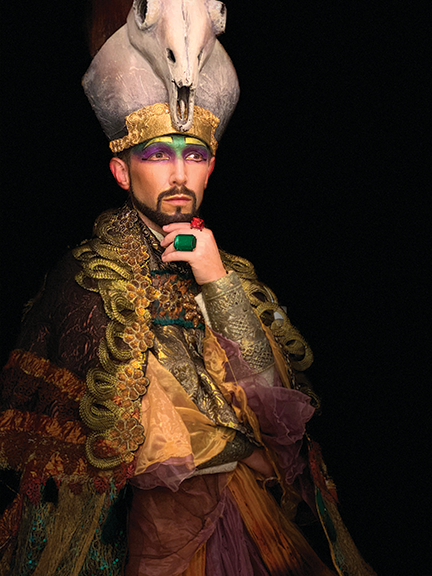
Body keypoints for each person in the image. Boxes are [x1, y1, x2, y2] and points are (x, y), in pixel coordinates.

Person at [0, 3, 376, 575]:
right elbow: (86, 462)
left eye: (194, 154)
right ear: (122, 171)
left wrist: (216, 280)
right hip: (151, 538)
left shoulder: (231, 272)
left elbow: (275, 408)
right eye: (157, 154)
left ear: (210, 167)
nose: (179, 174)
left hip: (249, 527)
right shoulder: (86, 283)